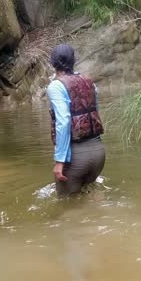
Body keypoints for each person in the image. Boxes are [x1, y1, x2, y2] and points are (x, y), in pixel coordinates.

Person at [47, 44, 105, 196]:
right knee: (88, 199)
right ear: (73, 61)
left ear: (53, 63)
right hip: (98, 154)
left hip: (75, 158)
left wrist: (60, 161)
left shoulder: (56, 86)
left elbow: (64, 121)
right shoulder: (89, 82)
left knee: (67, 209)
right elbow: (95, 112)